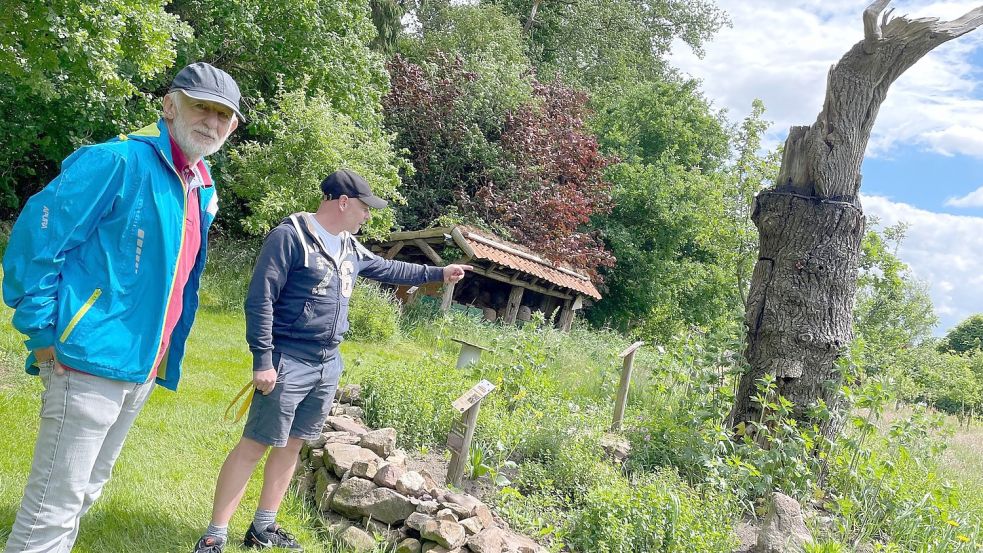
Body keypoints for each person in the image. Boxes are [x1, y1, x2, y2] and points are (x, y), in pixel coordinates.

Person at [2, 62, 243, 553]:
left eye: (223, 115)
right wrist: (45, 339)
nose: (211, 121)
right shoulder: (117, 161)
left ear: (233, 126)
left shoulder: (198, 182)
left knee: (86, 493)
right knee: (51, 512)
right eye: (202, 107)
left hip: (141, 370)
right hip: (86, 361)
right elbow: (35, 243)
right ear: (170, 106)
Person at [192, 170, 471, 552]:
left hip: (327, 364)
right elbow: (260, 299)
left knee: (292, 446)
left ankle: (263, 527)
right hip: (288, 360)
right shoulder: (291, 237)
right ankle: (215, 534)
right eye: (364, 208)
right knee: (255, 445)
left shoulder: (348, 247)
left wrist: (438, 272)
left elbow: (387, 269)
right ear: (343, 202)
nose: (368, 216)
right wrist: (263, 359)